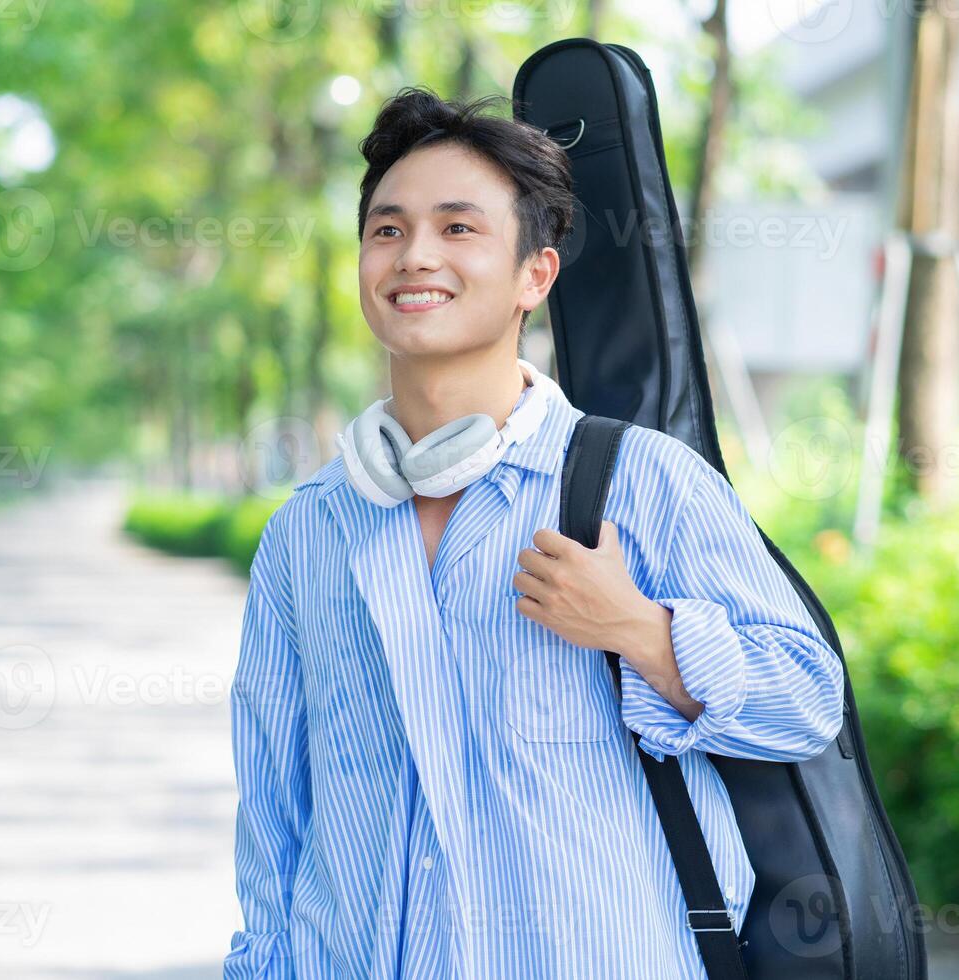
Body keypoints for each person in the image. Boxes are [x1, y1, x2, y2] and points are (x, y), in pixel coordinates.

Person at [224, 86, 846, 979]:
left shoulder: (641, 480)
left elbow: (808, 702)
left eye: (458, 228)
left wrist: (640, 631)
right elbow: (274, 811)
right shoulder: (308, 532)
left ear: (535, 276)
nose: (415, 256)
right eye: (388, 230)